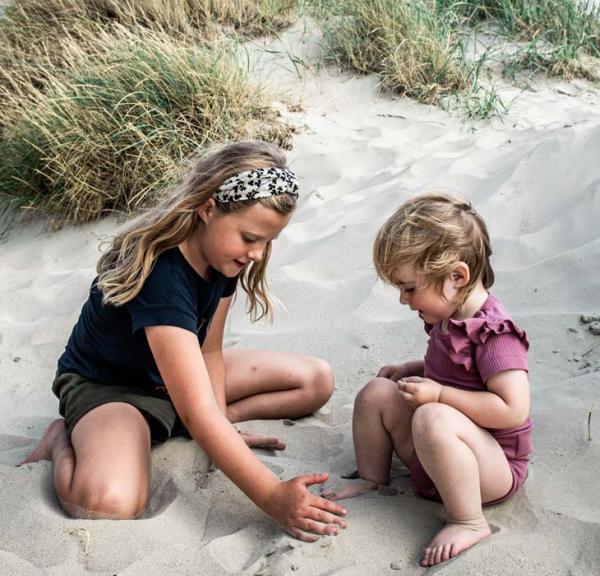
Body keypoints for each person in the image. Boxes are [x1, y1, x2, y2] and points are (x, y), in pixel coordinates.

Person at [23, 140, 347, 542]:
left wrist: (219, 425)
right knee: (108, 503)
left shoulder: (221, 256)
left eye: (268, 242)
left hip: (179, 370)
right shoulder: (161, 272)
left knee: (315, 381)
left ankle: (198, 425)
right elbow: (196, 412)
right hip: (114, 389)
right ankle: (61, 441)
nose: (258, 255)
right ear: (208, 208)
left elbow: (209, 350)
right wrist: (272, 495)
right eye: (249, 237)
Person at [322, 193, 531, 566]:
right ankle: (373, 478)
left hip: (491, 469)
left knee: (432, 415)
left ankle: (467, 520)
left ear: (457, 276)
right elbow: (454, 366)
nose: (403, 299)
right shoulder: (446, 316)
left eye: (409, 287)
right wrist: (412, 369)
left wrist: (439, 395)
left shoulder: (497, 335)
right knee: (377, 393)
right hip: (441, 450)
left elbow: (512, 409)